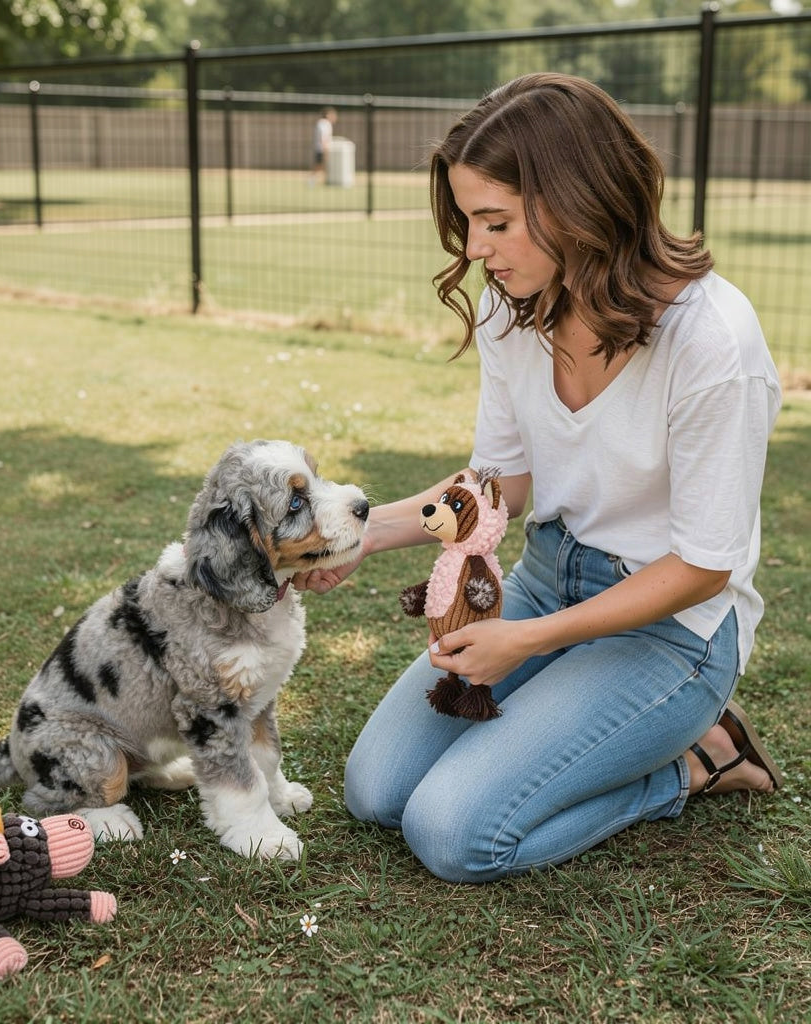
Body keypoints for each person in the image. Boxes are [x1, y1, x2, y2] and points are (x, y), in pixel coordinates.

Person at [292, 72, 782, 883]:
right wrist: (364, 536)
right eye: (468, 221)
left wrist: (526, 642)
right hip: (548, 578)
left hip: (671, 634)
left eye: (496, 222)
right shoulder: (511, 308)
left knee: (454, 834)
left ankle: (699, 760)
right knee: (376, 792)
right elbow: (499, 485)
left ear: (579, 203)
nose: (475, 248)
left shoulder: (711, 342)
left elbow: (704, 567)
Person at [310, 106, 337, 185]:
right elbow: (324, 138)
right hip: (322, 148)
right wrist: (326, 149)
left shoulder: (322, 123)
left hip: (321, 148)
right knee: (319, 165)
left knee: (321, 165)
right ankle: (312, 180)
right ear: (328, 115)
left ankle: (324, 180)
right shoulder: (325, 123)